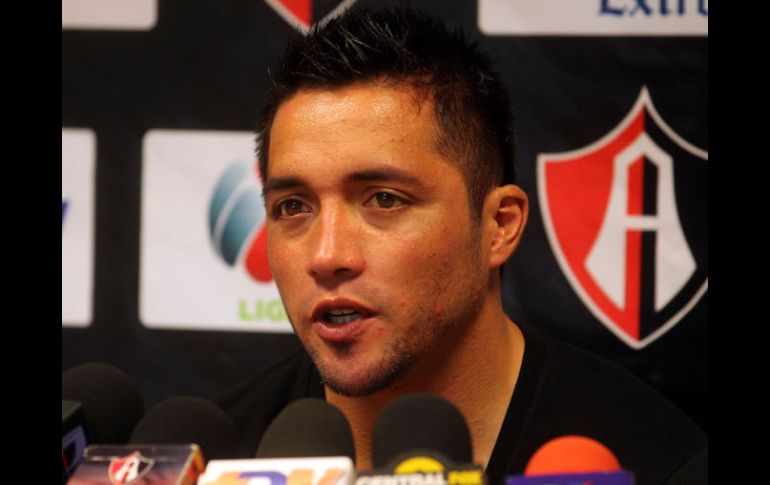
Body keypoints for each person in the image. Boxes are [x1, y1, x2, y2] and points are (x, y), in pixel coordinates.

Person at [216, 4, 707, 483]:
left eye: (384, 199)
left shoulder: (656, 463)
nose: (326, 256)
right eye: (293, 207)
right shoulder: (218, 460)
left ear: (499, 225)